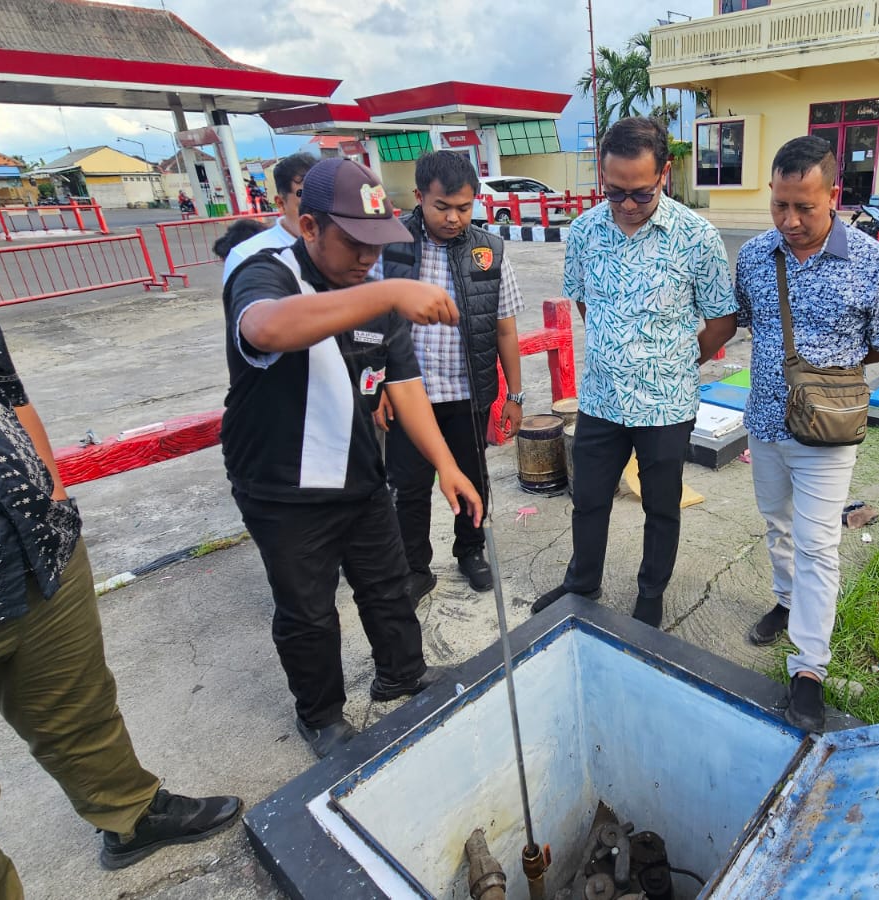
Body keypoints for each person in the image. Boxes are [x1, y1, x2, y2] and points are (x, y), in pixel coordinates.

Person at [0, 221, 242, 899]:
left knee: (80, 713)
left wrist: (50, 491)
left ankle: (130, 814)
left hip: (35, 556)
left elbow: (1, 379)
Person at [221, 157, 483, 759]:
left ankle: (402, 673)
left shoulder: (374, 293)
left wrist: (447, 466)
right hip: (283, 484)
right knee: (309, 611)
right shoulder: (267, 274)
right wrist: (388, 290)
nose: (367, 257)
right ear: (308, 226)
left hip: (360, 474)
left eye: (376, 244)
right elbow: (264, 331)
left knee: (389, 586)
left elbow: (404, 384)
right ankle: (321, 714)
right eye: (353, 242)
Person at [531, 116, 737, 628]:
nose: (625, 205)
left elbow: (722, 319)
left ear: (664, 173)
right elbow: (584, 301)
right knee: (589, 499)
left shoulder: (696, 237)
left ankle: (651, 594)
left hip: (666, 404)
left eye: (640, 194)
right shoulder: (584, 232)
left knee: (661, 507)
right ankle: (583, 582)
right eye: (614, 191)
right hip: (601, 400)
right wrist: (613, 348)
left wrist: (678, 361)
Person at [736, 136, 879, 732]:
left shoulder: (875, 263)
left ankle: (810, 667)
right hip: (763, 419)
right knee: (776, 523)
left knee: (817, 544)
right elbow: (750, 321)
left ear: (832, 195)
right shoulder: (757, 256)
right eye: (779, 205)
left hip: (829, 432)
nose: (790, 220)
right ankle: (786, 602)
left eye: (804, 207)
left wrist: (827, 376)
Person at [380, 151, 525, 600]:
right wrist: (378, 385)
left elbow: (504, 327)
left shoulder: (488, 251)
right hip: (409, 396)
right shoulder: (390, 246)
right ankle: (414, 568)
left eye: (464, 208)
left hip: (468, 391)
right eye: (442, 207)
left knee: (471, 477)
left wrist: (514, 395)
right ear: (420, 197)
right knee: (410, 487)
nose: (454, 218)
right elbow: (368, 325)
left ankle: (470, 551)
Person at [223, 153, 316, 282]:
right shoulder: (247, 256)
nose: (317, 217)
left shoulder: (343, 246)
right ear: (281, 204)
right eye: (306, 208)